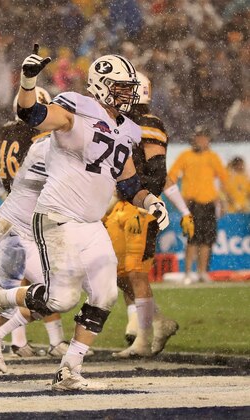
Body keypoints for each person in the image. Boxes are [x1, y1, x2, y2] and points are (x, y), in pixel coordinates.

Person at [0, 48, 169, 391]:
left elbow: (128, 182)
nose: (128, 94)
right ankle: (0, 297)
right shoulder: (77, 106)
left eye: (130, 88)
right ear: (100, 86)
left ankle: (69, 369)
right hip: (58, 215)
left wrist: (150, 200)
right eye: (121, 87)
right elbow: (33, 113)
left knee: (105, 294)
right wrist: (28, 81)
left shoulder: (127, 128)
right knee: (61, 301)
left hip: (91, 223)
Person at [0, 88, 68, 359]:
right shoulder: (38, 135)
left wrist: (4, 194)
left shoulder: (7, 132)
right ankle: (53, 341)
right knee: (50, 277)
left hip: (13, 212)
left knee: (22, 279)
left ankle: (17, 341)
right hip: (33, 212)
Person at [104, 72, 184, 358]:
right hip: (120, 206)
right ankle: (158, 322)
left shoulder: (148, 124)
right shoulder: (121, 122)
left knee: (136, 273)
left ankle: (144, 339)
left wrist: (140, 199)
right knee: (117, 272)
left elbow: (157, 172)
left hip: (138, 206)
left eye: (123, 89)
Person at [168, 126, 228, 284]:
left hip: (209, 203)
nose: (202, 140)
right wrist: (178, 197)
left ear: (208, 140)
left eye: (204, 137)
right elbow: (172, 175)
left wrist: (222, 200)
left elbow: (224, 179)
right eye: (199, 137)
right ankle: (188, 273)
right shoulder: (185, 156)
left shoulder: (213, 157)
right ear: (194, 139)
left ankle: (202, 272)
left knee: (207, 240)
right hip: (192, 203)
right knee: (192, 239)